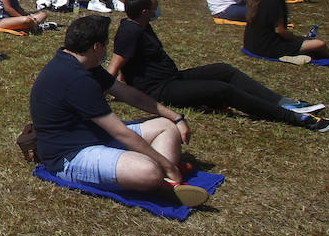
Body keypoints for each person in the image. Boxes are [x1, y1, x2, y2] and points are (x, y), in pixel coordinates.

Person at [29, 15, 210, 206]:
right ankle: (163, 179)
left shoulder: (81, 63)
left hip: (95, 136)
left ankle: (161, 179)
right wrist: (167, 165)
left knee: (167, 127)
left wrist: (175, 117)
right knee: (149, 171)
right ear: (96, 47)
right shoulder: (77, 80)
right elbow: (120, 132)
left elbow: (129, 94)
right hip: (70, 156)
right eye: (106, 44)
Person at [107, 0, 329, 131]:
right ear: (146, 11)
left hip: (171, 78)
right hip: (159, 90)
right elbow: (115, 67)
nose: (159, 10)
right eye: (156, 7)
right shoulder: (130, 32)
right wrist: (99, 92)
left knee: (224, 70)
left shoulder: (143, 25)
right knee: (222, 90)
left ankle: (283, 101)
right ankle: (292, 117)